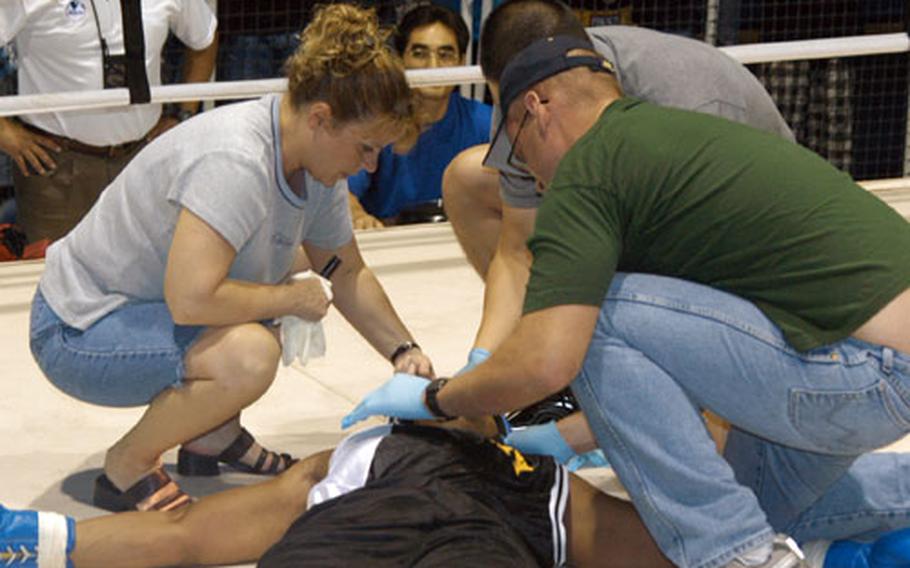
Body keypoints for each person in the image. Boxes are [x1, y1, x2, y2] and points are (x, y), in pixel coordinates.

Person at [342, 18, 910, 568]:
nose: (528, 175)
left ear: (536, 110)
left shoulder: (586, 172)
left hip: (862, 370)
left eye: (516, 147)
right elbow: (683, 354)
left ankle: (740, 556)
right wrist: (563, 432)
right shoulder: (667, 132)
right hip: (867, 359)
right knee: (745, 499)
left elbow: (553, 354)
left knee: (593, 309)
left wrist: (439, 398)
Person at [28, 3, 433, 513]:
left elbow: (345, 270)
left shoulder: (316, 159)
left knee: (257, 309)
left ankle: (211, 436)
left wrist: (404, 351)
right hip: (74, 330)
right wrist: (290, 297)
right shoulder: (237, 159)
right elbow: (191, 300)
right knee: (251, 351)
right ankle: (126, 468)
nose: (369, 164)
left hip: (133, 312)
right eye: (367, 147)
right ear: (320, 118)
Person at [2, 418, 907, 568]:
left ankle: (20, 539)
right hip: (475, 493)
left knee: (183, 539)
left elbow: (181, 541)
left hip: (397, 469)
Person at [442, 0, 793, 374]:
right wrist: (483, 363)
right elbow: (516, 251)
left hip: (751, 248)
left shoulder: (687, 101)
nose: (510, 123)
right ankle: (543, 360)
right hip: (632, 201)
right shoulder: (520, 92)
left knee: (601, 302)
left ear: (541, 99)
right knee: (466, 178)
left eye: (517, 117)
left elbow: (710, 258)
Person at [0, 0, 219, 244]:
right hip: (56, 169)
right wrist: (4, 132)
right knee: (50, 274)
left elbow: (204, 40)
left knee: (141, 274)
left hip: (143, 162)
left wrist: (183, 114)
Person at [347, 3, 492, 229]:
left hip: (462, 243)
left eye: (445, 54)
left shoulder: (486, 123)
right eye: (419, 53)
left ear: (462, 62)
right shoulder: (374, 123)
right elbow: (342, 192)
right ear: (400, 60)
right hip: (390, 242)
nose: (433, 66)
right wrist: (358, 216)